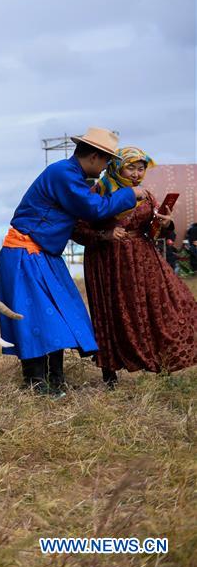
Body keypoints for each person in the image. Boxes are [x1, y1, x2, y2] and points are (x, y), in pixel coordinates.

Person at [0, 128, 152, 396]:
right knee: (35, 319)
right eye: (105, 161)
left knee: (62, 315)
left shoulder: (73, 176)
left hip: (44, 253)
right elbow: (94, 208)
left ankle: (56, 379)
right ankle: (36, 383)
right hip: (25, 252)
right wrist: (130, 195)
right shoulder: (64, 174)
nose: (105, 168)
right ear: (94, 157)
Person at [72, 147, 197, 388]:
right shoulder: (98, 192)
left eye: (141, 169)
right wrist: (104, 234)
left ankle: (163, 363)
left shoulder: (146, 195)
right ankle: (110, 372)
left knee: (159, 306)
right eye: (131, 168)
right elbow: (77, 228)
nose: (137, 174)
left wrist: (165, 224)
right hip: (108, 262)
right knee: (113, 311)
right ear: (117, 166)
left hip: (144, 259)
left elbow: (153, 231)